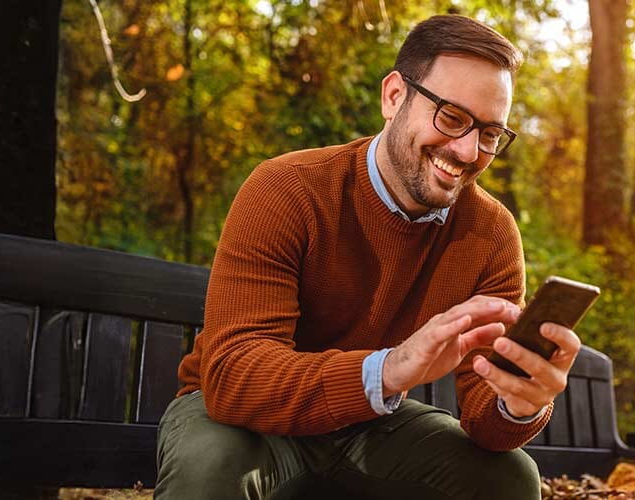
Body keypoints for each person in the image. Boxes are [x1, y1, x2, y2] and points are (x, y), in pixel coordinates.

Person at [156, 14, 582, 500]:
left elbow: (488, 425)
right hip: (237, 419)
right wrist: (390, 369)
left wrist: (518, 404)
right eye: (452, 117)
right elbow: (235, 375)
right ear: (394, 96)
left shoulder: (492, 234)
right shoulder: (286, 188)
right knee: (212, 464)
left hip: (367, 423)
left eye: (489, 133)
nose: (467, 151)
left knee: (509, 477)